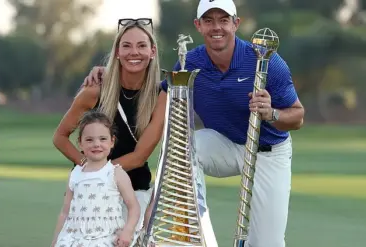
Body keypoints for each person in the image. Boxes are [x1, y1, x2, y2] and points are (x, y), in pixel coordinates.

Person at [85, 0, 305, 246]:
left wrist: (272, 113)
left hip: (267, 151)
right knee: (187, 146)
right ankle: (199, 234)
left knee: (266, 243)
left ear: (236, 23)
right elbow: (156, 89)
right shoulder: (190, 63)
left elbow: (297, 117)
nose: (216, 27)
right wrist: (111, 71)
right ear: (198, 26)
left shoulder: (266, 62)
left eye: (223, 20)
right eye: (208, 21)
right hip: (223, 144)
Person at [52, 17, 167, 243]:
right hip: (90, 194)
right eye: (126, 45)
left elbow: (140, 156)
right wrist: (89, 168)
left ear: (152, 51)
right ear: (116, 52)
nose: (134, 52)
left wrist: (103, 171)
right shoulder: (95, 91)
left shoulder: (160, 95)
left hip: (134, 191)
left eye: (142, 45)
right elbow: (60, 137)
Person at [51, 111, 141, 247]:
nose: (96, 144)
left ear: (112, 142)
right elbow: (65, 212)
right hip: (75, 238)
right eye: (89, 140)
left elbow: (133, 207)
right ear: (80, 143)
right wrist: (56, 240)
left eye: (102, 139)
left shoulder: (116, 173)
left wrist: (127, 232)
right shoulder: (75, 174)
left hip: (106, 237)